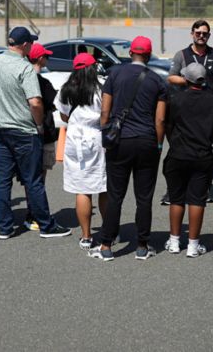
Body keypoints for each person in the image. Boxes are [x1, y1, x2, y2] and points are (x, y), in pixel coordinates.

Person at [0, 27, 71, 240]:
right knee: (33, 180)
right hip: (23, 130)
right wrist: (39, 124)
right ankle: (46, 225)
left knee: (2, 179)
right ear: (24, 45)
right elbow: (35, 102)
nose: (31, 46)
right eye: (30, 43)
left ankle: (4, 227)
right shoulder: (24, 68)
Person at [89, 36, 167, 262]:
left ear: (131, 53)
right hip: (146, 140)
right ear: (149, 55)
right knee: (144, 196)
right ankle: (142, 245)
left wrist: (106, 136)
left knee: (115, 195)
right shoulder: (157, 80)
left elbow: (105, 112)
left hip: (120, 140)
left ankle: (106, 245)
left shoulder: (114, 74)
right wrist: (158, 144)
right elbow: (160, 119)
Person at [162, 64, 213, 259]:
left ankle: (174, 242)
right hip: (202, 155)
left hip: (178, 154)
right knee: (197, 199)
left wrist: (172, 142)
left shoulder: (176, 98)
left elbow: (167, 125)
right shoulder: (211, 99)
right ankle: (193, 245)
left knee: (176, 198)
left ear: (186, 79)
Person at [57, 52, 108, 249]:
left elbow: (64, 116)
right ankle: (108, 231)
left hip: (74, 138)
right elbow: (106, 114)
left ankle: (86, 236)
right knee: (103, 186)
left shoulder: (66, 88)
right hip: (95, 136)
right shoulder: (101, 88)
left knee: (82, 188)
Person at [24, 43, 59, 231]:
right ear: (39, 58)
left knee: (30, 177)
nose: (47, 59)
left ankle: (33, 213)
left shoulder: (21, 78)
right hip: (41, 132)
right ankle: (34, 215)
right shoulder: (42, 83)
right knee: (38, 178)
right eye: (46, 56)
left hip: (23, 132)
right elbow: (53, 103)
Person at [169, 20, 213, 97]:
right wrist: (190, 80)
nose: (201, 36)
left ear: (209, 35)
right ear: (192, 34)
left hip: (210, 101)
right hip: (188, 101)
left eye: (204, 34)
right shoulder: (181, 54)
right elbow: (171, 78)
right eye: (198, 33)